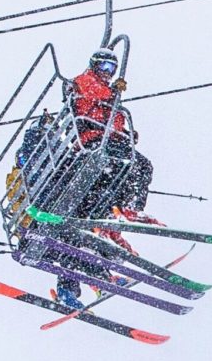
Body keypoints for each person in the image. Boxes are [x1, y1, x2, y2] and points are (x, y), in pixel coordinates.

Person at [52, 46, 154, 309]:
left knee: (88, 230)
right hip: (96, 142)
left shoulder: (107, 95)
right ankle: (128, 207)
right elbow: (94, 93)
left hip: (108, 144)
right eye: (105, 68)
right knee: (140, 165)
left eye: (112, 69)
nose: (109, 74)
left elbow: (116, 120)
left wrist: (126, 134)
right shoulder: (86, 81)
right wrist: (115, 92)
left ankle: (101, 277)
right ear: (95, 65)